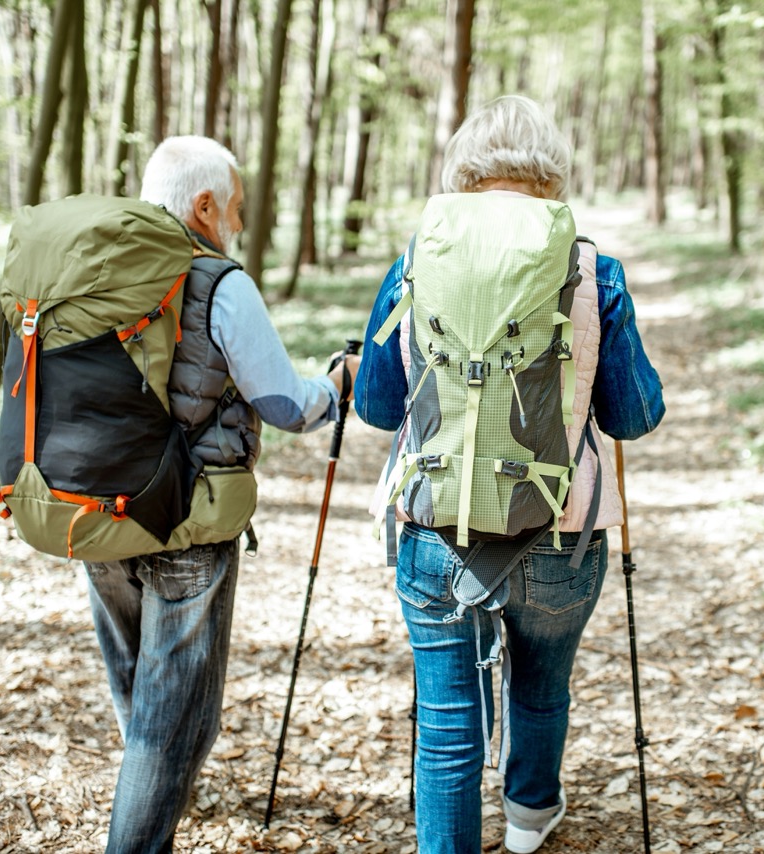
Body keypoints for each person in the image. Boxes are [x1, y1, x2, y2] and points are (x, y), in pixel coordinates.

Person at [354, 96, 664, 854]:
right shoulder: (593, 267)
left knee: (447, 720)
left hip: (434, 528)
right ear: (551, 171)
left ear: (464, 167)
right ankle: (529, 820)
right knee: (541, 685)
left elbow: (374, 404)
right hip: (562, 531)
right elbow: (632, 416)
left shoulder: (416, 259)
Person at [83, 135, 359, 854]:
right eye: (233, 206)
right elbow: (285, 406)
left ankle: (153, 794)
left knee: (136, 685)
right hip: (186, 522)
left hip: (92, 511)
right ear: (203, 205)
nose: (236, 221)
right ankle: (144, 820)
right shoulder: (218, 281)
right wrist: (337, 387)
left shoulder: (90, 269)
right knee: (173, 720)